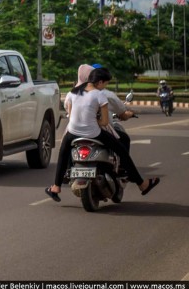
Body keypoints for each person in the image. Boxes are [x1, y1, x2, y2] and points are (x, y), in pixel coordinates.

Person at [45, 67, 160, 202]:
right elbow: (105, 122)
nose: (105, 87)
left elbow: (71, 116)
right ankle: (142, 184)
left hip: (73, 133)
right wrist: (93, 121)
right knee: (122, 151)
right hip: (93, 133)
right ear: (99, 82)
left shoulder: (72, 92)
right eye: (105, 84)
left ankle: (56, 187)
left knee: (63, 154)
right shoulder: (99, 95)